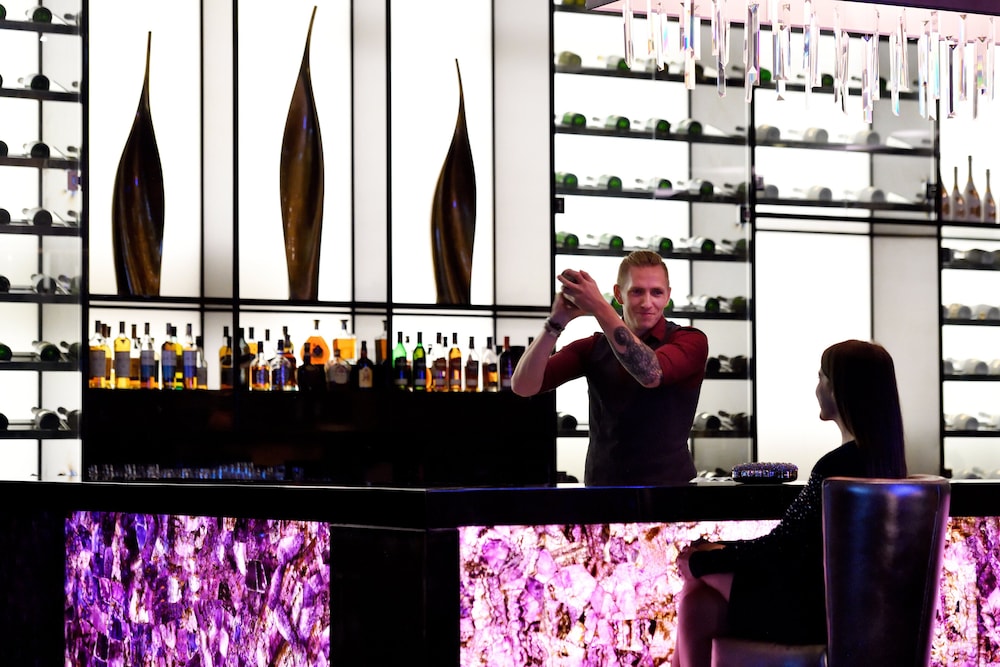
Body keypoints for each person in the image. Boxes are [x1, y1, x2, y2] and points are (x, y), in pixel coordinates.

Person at [671, 339, 908, 667]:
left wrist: (705, 559)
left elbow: (781, 550)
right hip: (849, 611)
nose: (817, 388)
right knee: (698, 603)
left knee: (695, 586)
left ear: (840, 389)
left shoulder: (836, 467)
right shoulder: (885, 465)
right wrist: (720, 550)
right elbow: (789, 545)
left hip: (810, 611)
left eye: (821, 378)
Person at [511, 250, 708, 486]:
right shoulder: (593, 347)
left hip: (670, 490)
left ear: (668, 296)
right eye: (637, 291)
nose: (647, 303)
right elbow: (523, 386)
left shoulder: (690, 340)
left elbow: (650, 373)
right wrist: (555, 322)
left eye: (656, 292)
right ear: (618, 294)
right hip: (604, 489)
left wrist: (599, 306)